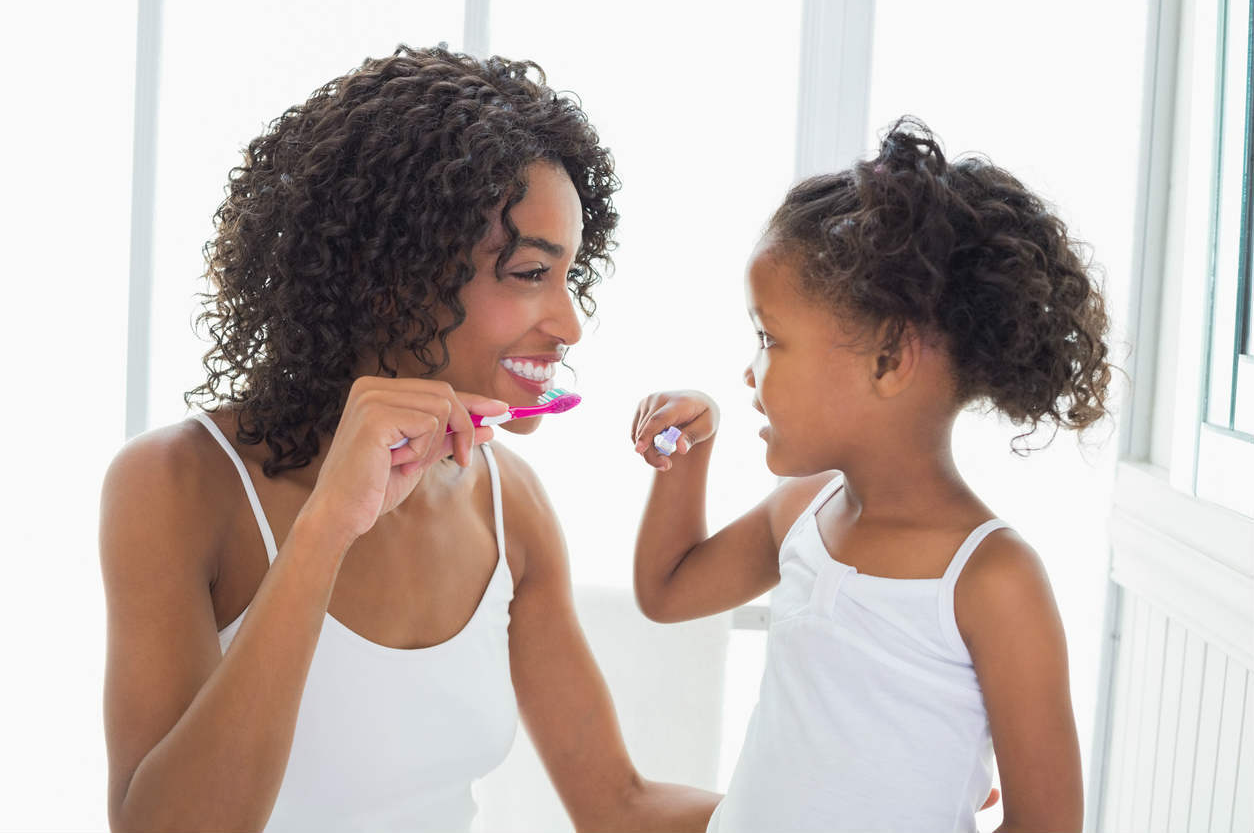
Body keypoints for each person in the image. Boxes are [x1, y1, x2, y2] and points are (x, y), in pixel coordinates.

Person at [99, 45, 719, 833]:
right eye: (530, 273)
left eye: (569, 277)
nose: (569, 323)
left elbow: (618, 805)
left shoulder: (511, 502)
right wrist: (327, 528)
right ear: (396, 278)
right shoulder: (177, 484)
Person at [629, 117, 1107, 833]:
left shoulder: (993, 580)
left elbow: (1048, 825)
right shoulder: (802, 510)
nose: (750, 371)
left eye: (770, 339)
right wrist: (685, 457)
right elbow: (667, 592)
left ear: (888, 360)